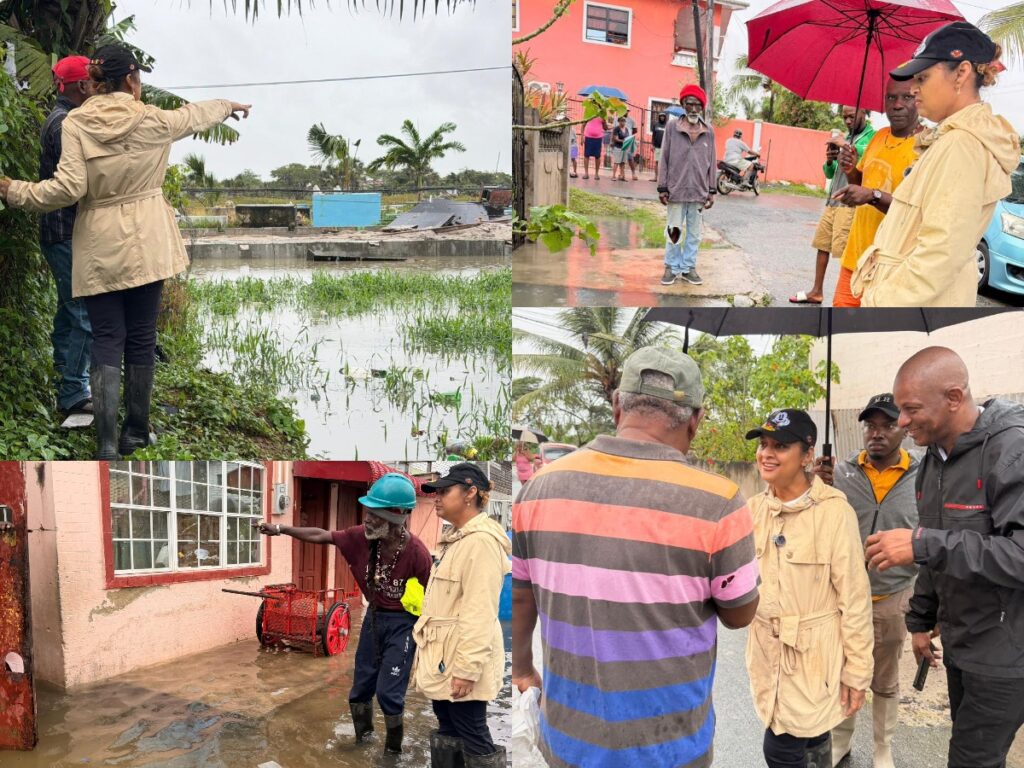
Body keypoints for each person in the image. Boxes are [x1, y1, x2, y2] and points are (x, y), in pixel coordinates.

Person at [512, 346, 760, 768]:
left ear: (616, 406)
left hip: (571, 741)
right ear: (696, 421)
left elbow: (521, 595)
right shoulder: (719, 501)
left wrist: (521, 668)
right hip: (672, 746)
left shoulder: (539, 488)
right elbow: (739, 614)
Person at [0, 43, 251, 459]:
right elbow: (195, 115)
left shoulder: (75, 124)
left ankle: (107, 443)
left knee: (106, 339)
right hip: (150, 240)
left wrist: (14, 190)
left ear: (95, 82)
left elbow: (66, 190)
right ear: (133, 81)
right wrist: (228, 105)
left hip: (100, 242)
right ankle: (136, 431)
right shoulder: (154, 119)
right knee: (140, 337)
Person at [865, 347, 1024, 767]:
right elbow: (939, 550)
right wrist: (920, 621)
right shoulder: (932, 463)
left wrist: (920, 544)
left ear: (954, 398)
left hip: (1006, 652)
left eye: (910, 409)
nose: (901, 422)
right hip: (959, 644)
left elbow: (1020, 555)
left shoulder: (1012, 450)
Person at [256, 472, 433, 754]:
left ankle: (392, 753)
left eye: (376, 514)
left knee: (389, 692)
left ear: (398, 515)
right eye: (367, 511)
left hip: (403, 625)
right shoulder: (359, 538)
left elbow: (434, 600)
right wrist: (282, 530)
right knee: (360, 687)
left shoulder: (417, 554)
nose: (368, 519)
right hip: (374, 619)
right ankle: (363, 741)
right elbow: (321, 535)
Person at [851, 22, 1018, 306]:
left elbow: (940, 253)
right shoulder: (950, 140)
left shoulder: (962, 145)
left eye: (923, 78)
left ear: (961, 73)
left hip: (911, 310)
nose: (914, 89)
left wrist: (879, 303)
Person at [744, 408, 874, 768]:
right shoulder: (753, 511)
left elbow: (855, 598)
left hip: (814, 654)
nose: (766, 454)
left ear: (807, 456)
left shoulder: (834, 513)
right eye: (763, 444)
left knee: (782, 748)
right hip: (766, 654)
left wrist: (857, 671)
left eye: (780, 446)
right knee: (811, 735)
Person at [813, 394, 919, 768]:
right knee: (844, 669)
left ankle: (883, 748)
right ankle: (841, 741)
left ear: (902, 429)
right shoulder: (839, 473)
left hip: (893, 594)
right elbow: (817, 522)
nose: (877, 433)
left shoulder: (921, 476)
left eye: (887, 425)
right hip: (844, 595)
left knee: (885, 677)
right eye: (870, 426)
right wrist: (816, 486)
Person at [416, 463, 511, 768]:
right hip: (443, 654)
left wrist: (467, 669)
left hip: (461, 657)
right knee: (447, 724)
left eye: (445, 491)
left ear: (470, 493)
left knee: (472, 730)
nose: (437, 498)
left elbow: (479, 611)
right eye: (436, 492)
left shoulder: (481, 542)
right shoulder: (455, 539)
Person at [831, 79, 921, 307]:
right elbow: (861, 182)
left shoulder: (926, 147)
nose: (897, 104)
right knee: (839, 333)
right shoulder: (879, 137)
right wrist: (850, 169)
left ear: (919, 99)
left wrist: (872, 196)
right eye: (891, 97)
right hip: (855, 257)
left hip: (890, 268)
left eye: (907, 97)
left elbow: (916, 212)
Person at [40, 56, 97, 418]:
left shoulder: (62, 118)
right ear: (81, 86)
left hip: (58, 231)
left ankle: (64, 374)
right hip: (63, 231)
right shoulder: (66, 125)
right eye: (94, 82)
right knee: (84, 314)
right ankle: (74, 393)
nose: (98, 88)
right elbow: (78, 182)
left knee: (68, 311)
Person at [790, 107, 874, 304]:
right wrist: (830, 161)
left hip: (850, 203)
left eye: (851, 116)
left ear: (864, 113)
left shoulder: (872, 138)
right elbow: (831, 174)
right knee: (822, 245)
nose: (847, 120)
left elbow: (867, 154)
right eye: (844, 117)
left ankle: (852, 297)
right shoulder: (847, 136)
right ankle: (816, 291)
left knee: (847, 251)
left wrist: (845, 145)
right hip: (833, 200)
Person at [657, 84, 717, 287]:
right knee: (674, 230)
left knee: (694, 234)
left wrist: (711, 190)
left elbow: (712, 161)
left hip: (699, 192)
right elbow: (664, 157)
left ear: (702, 108)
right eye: (689, 104)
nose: (693, 108)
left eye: (697, 105)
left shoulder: (708, 131)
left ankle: (688, 268)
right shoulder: (673, 127)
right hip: (676, 189)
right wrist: (662, 186)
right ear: (683, 104)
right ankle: (671, 267)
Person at [582, 115, 605, 180]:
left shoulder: (602, 114)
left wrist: (604, 121)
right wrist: (582, 137)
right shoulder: (589, 113)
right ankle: (586, 173)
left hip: (598, 139)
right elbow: (583, 125)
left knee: (597, 156)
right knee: (586, 155)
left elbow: (605, 128)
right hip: (588, 138)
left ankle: (596, 174)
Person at [611, 116, 629, 181]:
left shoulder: (626, 129)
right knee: (617, 162)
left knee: (623, 162)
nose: (623, 122)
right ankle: (613, 176)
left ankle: (622, 176)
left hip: (624, 147)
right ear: (619, 121)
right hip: (618, 147)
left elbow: (627, 137)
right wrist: (622, 141)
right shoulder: (616, 129)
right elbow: (615, 138)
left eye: (624, 121)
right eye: (621, 121)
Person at [651, 111, 667, 180]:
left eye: (663, 116)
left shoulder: (667, 125)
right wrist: (652, 145)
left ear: (665, 117)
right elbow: (653, 135)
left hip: (665, 147)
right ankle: (655, 177)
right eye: (661, 116)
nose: (662, 117)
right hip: (657, 146)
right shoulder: (656, 125)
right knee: (656, 162)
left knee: (664, 163)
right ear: (659, 117)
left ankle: (663, 178)